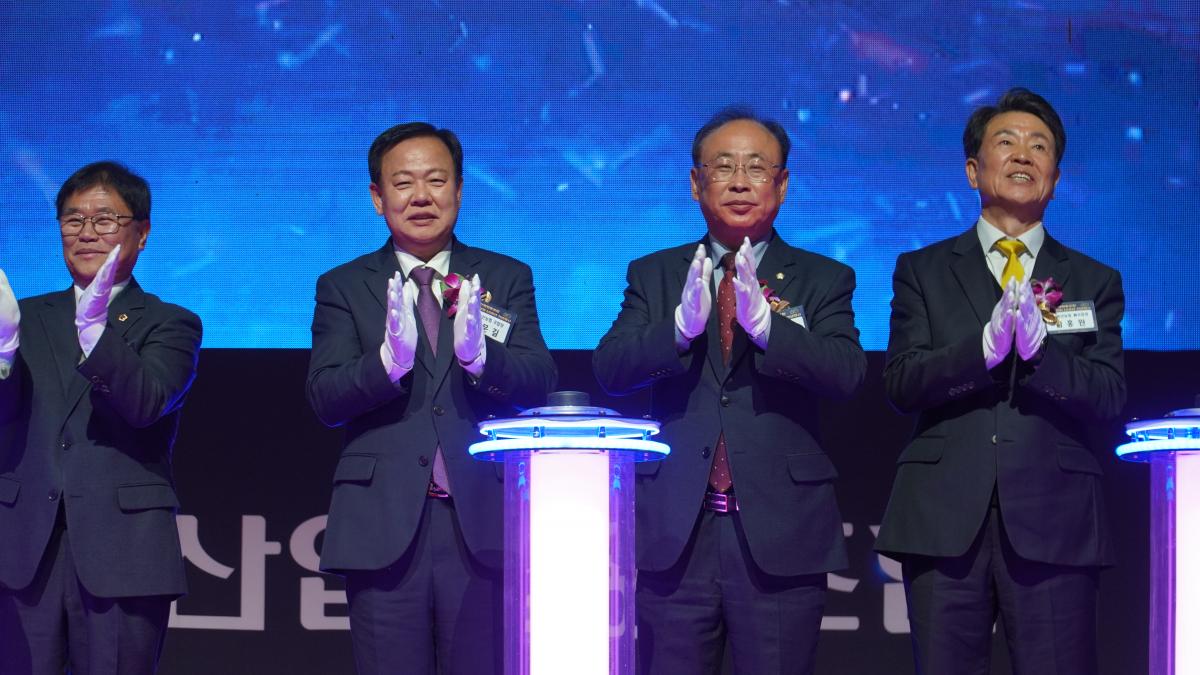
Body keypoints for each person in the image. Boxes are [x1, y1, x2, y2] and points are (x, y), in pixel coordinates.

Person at [593, 107, 866, 674]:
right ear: (696, 183)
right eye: (723, 167)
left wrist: (771, 331)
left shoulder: (824, 278)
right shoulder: (655, 273)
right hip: (677, 534)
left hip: (780, 534)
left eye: (757, 168)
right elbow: (611, 370)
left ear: (782, 185)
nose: (740, 181)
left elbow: (846, 375)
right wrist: (677, 330)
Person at [874, 88, 1126, 675]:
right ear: (973, 170)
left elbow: (1109, 396)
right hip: (942, 520)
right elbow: (902, 382)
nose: (1023, 154)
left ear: (1055, 178)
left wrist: (1042, 358)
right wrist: (980, 354)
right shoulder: (922, 270)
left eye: (1039, 147)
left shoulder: (1094, 279)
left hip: (1056, 521)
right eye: (1006, 142)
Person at [306, 122, 557, 675]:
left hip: (484, 520)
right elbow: (325, 397)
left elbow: (539, 380)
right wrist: (386, 365)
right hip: (384, 525)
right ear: (378, 198)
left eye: (436, 180)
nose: (421, 196)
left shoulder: (504, 276)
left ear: (459, 190)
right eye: (403, 183)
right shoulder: (343, 285)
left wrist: (482, 360)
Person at [0, 161, 202, 675]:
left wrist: (95, 333)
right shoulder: (23, 318)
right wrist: (2, 357)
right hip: (22, 549)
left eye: (105, 219)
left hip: (123, 551)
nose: (86, 233)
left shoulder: (172, 323)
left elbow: (146, 404)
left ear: (142, 232)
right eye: (73, 220)